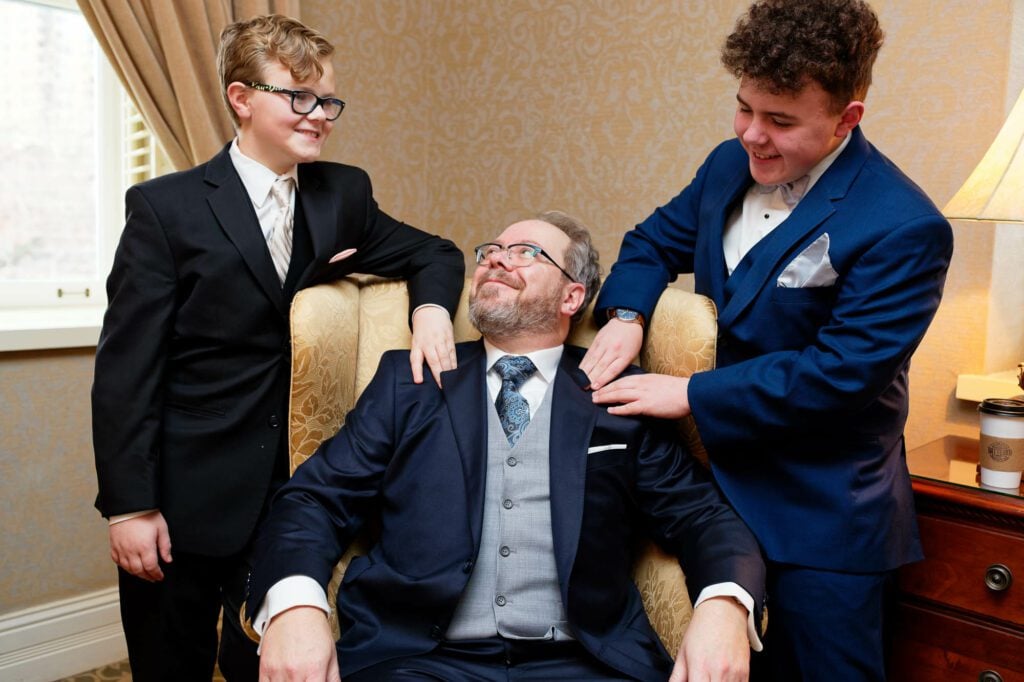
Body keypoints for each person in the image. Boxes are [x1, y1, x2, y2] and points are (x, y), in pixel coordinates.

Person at [581, 1, 953, 679]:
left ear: (847, 119)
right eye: (744, 108)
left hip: (822, 516)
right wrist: (629, 316)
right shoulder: (726, 165)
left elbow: (838, 375)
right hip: (711, 501)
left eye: (780, 121)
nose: (752, 135)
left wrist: (690, 391)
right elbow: (647, 244)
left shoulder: (905, 225)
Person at [91, 14, 464, 680]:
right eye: (300, 98)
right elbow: (126, 370)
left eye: (327, 101)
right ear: (242, 99)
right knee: (167, 660)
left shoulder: (342, 194)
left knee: (262, 660)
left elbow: (433, 252)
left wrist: (432, 310)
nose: (319, 115)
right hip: (183, 491)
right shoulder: (164, 208)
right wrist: (129, 504)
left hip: (291, 492)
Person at [247, 212, 766, 682]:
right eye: (491, 250)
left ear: (572, 297)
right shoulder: (408, 383)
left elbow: (703, 516)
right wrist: (295, 605)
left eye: (527, 253)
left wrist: (724, 604)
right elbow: (312, 500)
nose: (497, 256)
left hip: (584, 663)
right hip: (419, 662)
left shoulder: (618, 393)